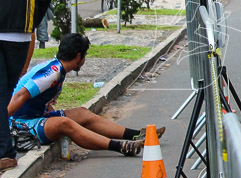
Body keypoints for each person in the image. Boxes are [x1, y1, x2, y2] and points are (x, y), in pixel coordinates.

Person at [8, 33, 164, 157]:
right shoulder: (52, 73)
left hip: (35, 116)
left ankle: (137, 135)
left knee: (82, 113)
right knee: (65, 124)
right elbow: (19, 96)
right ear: (78, 56)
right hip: (21, 124)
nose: (84, 60)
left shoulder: (57, 69)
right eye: (85, 55)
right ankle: (121, 147)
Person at [0, 0, 54, 171]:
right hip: (18, 33)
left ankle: (5, 151)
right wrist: (31, 19)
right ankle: (4, 151)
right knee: (6, 90)